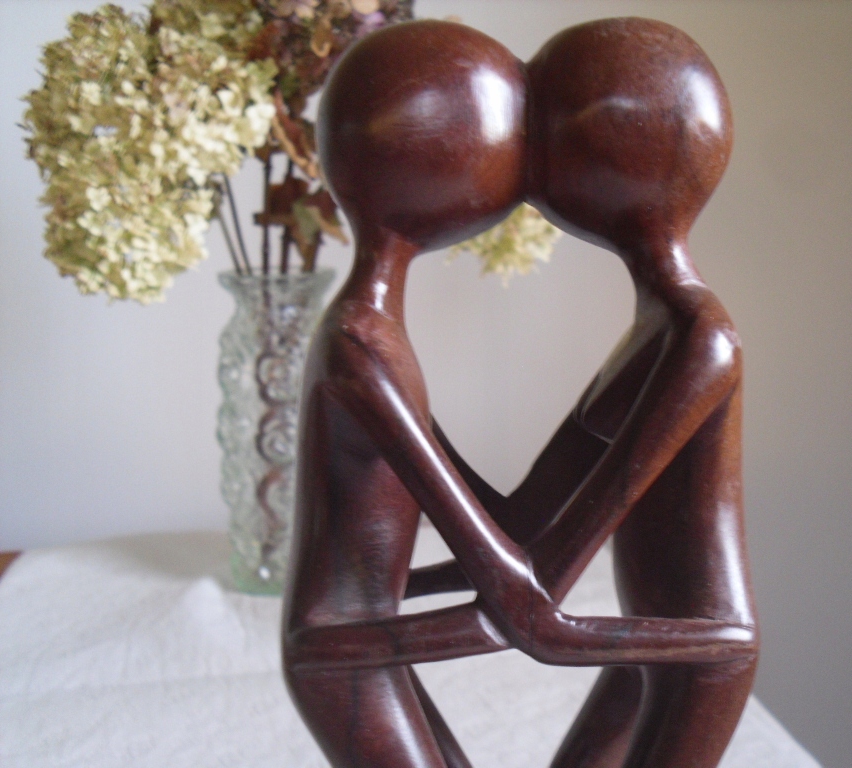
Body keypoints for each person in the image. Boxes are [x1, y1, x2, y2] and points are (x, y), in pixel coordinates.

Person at [283, 18, 758, 768]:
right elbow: (523, 532)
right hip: (347, 646)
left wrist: (527, 599)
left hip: (694, 647)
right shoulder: (360, 343)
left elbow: (550, 522)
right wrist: (517, 597)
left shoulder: (698, 339)